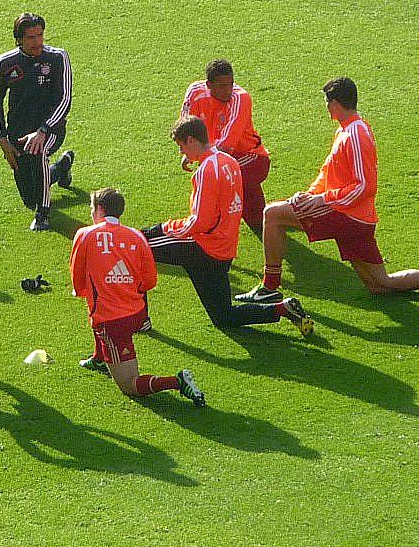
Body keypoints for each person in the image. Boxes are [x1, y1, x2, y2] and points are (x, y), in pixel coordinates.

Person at [78, 118, 310, 371]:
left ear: (191, 140)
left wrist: (167, 228)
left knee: (133, 248)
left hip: (200, 247)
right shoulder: (229, 162)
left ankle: (137, 322)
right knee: (224, 316)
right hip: (223, 250)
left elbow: (201, 222)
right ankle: (282, 308)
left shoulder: (206, 172)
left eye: (181, 146)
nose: (181, 152)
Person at [237, 77, 419, 302]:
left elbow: (364, 185)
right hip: (355, 217)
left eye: (328, 103)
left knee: (272, 214)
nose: (326, 108)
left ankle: (269, 286)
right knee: (381, 285)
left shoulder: (354, 135)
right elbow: (330, 173)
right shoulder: (348, 130)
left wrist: (322, 201)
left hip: (346, 216)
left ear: (335, 104)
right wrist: (310, 195)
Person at [70, 187, 205, 404]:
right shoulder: (136, 235)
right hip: (138, 314)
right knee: (99, 308)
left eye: (91, 208)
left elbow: (78, 277)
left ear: (100, 210)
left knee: (129, 384)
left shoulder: (85, 234)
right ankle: (99, 358)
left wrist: (85, 291)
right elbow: (150, 280)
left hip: (114, 323)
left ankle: (177, 381)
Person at [0, 12, 75, 231]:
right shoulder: (7, 62)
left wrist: (43, 130)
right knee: (29, 198)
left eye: (40, 35)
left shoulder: (57, 58)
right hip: (17, 133)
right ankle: (61, 168)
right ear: (19, 39)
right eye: (31, 38)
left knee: (38, 152)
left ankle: (43, 214)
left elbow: (65, 99)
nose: (38, 42)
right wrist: (2, 138)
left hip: (50, 128)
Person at [181, 59, 271, 233]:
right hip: (222, 157)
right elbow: (186, 127)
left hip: (252, 157)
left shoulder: (241, 98)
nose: (228, 90)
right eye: (222, 86)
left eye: (230, 84)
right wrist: (186, 151)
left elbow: (227, 145)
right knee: (258, 221)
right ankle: (269, 220)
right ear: (209, 84)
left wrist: (200, 157)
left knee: (215, 177)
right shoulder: (194, 92)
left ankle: (206, 224)